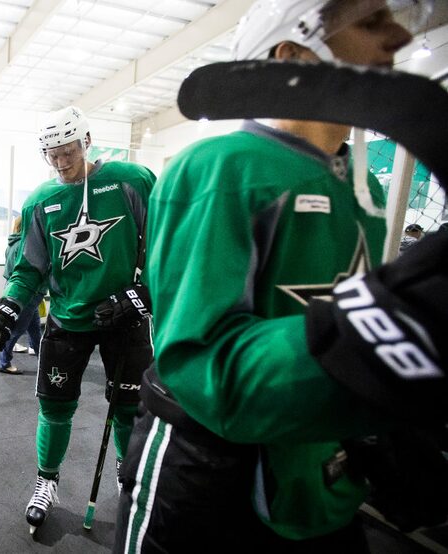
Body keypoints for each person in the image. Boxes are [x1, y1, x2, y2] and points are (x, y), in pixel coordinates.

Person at [115, 1, 434, 552]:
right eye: (369, 23)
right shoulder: (222, 167)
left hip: (315, 469)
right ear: (293, 54)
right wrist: (373, 338)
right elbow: (204, 366)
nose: (399, 37)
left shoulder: (365, 187)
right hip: (206, 474)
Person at [0, 105, 155, 532]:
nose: (61, 161)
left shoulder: (131, 180)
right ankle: (46, 481)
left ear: (87, 142)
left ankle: (127, 475)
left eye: (69, 150)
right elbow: (30, 268)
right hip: (68, 319)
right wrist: (8, 304)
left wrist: (143, 293)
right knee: (55, 407)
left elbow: (167, 243)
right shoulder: (41, 200)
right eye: (52, 153)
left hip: (124, 317)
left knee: (129, 407)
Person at [0, 215, 46, 375]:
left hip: (20, 292)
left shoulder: (12, 245)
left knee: (34, 329)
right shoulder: (26, 246)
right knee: (17, 330)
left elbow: (9, 272)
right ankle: (4, 362)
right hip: (28, 294)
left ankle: (44, 361)